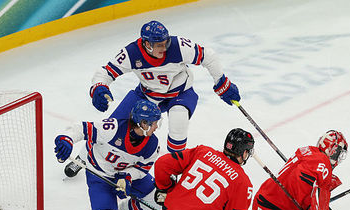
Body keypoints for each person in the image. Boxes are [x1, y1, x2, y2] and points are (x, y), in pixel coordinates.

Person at [88, 20, 239, 155]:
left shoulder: (178, 46)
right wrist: (99, 87)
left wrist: (222, 82)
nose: (165, 48)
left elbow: (209, 56)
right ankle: (87, 156)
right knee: (112, 125)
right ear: (147, 45)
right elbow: (105, 72)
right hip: (148, 95)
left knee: (179, 121)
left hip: (180, 93)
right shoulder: (131, 53)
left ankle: (174, 165)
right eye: (159, 45)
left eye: (166, 43)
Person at [54, 99, 162, 210]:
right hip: (99, 175)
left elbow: (143, 168)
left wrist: (127, 177)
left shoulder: (152, 144)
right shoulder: (112, 129)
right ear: (142, 123)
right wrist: (66, 139)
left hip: (125, 174)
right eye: (153, 123)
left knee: (159, 198)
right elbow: (81, 128)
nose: (156, 127)